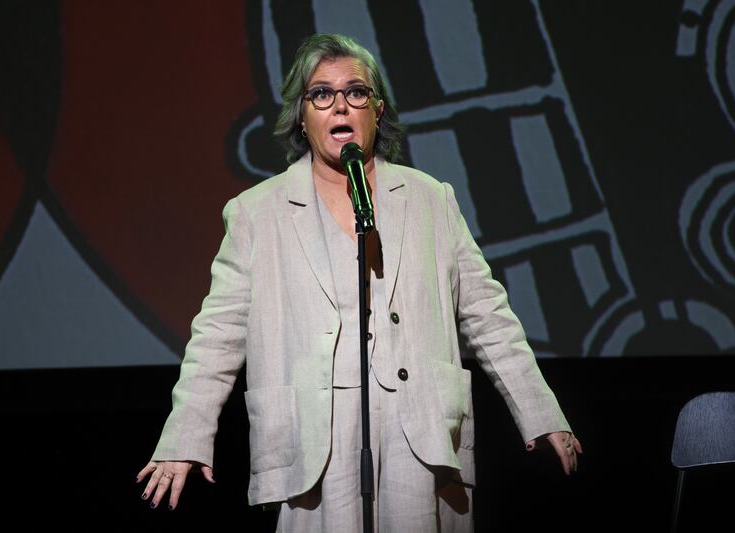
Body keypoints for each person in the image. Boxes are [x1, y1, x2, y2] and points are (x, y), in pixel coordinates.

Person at [137, 32, 582, 531]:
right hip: (312, 445)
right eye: (321, 94)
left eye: (356, 92)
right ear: (302, 118)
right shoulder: (256, 214)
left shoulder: (431, 199)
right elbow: (216, 338)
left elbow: (488, 317)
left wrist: (541, 411)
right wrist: (185, 438)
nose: (340, 106)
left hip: (422, 436)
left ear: (376, 109)